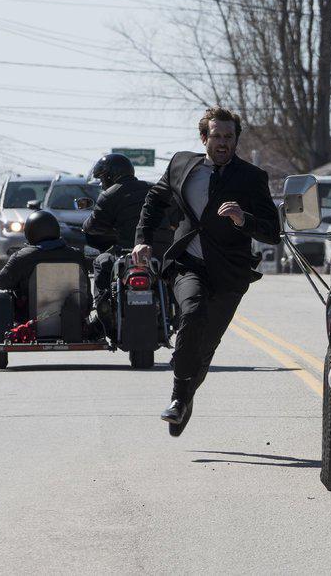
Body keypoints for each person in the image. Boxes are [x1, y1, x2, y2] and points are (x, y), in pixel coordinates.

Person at [132, 106, 280, 437]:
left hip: (229, 274)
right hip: (188, 262)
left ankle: (185, 397)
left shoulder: (251, 178)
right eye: (217, 136)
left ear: (236, 139)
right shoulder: (182, 165)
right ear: (204, 138)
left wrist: (244, 220)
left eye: (229, 137)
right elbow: (154, 201)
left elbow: (273, 230)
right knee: (193, 313)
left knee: (206, 346)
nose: (223, 143)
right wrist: (142, 240)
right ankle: (177, 397)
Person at [82, 153, 176, 332]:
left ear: (110, 175)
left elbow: (93, 225)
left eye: (102, 178)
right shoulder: (155, 189)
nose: (101, 183)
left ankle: (103, 312)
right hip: (161, 251)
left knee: (101, 263)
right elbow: (175, 217)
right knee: (172, 274)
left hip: (129, 251)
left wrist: (87, 226)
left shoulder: (110, 194)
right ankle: (175, 311)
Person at [0, 210, 88, 318]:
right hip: (75, 321)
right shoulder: (76, 255)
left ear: (30, 232)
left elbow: (2, 283)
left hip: (31, 321)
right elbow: (86, 289)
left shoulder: (22, 257)